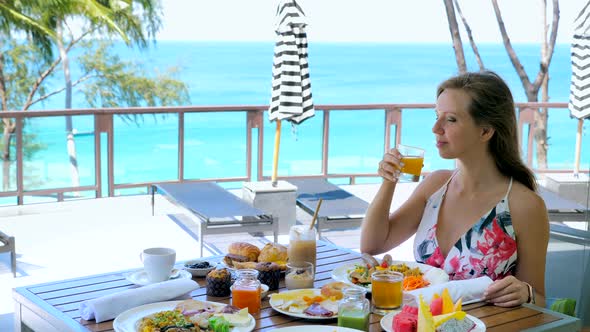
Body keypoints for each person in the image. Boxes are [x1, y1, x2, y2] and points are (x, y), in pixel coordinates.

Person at [360, 71, 549, 308]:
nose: (435, 128)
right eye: (436, 116)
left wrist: (525, 293)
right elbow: (373, 244)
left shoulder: (524, 205)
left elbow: (539, 300)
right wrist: (389, 181)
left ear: (485, 131)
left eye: (450, 119)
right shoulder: (436, 186)